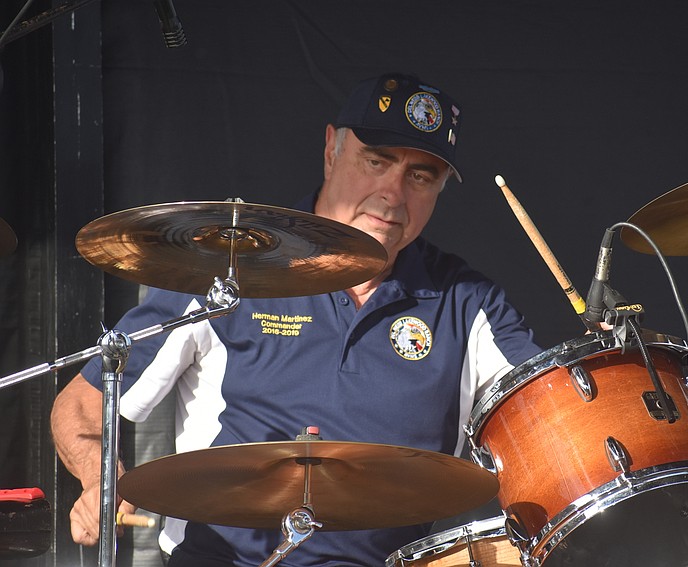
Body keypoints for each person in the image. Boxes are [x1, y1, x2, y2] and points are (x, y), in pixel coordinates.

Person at [50, 72, 542, 567]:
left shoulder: (468, 302)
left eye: (421, 175)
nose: (394, 193)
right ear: (331, 149)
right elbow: (81, 405)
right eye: (377, 161)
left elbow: (555, 418)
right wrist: (101, 480)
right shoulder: (230, 267)